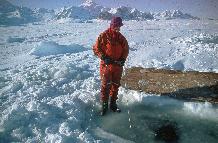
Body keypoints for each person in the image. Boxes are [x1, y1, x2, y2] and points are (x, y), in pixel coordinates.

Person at [93, 17, 129, 116]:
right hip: (106, 66)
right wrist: (103, 57)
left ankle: (113, 104)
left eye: (119, 27)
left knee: (115, 85)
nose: (118, 29)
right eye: (116, 26)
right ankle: (104, 107)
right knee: (105, 86)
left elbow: (126, 49)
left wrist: (123, 59)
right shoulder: (104, 35)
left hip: (118, 66)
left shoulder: (121, 37)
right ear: (112, 25)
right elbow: (96, 48)